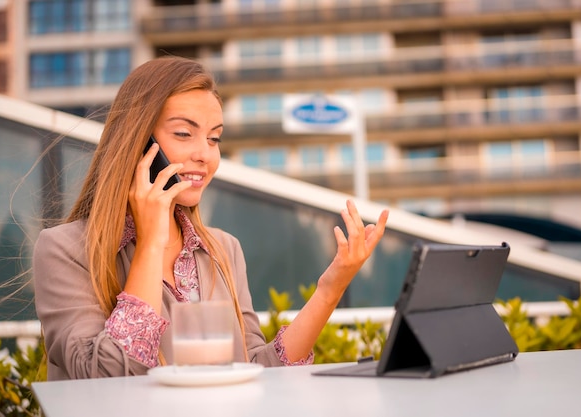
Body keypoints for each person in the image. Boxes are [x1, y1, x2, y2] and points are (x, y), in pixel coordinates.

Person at [32, 56, 389, 380]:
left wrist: (331, 288)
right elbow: (107, 377)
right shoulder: (65, 250)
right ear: (138, 143)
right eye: (184, 134)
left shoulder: (223, 249)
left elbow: (257, 371)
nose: (205, 155)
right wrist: (151, 242)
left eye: (215, 138)